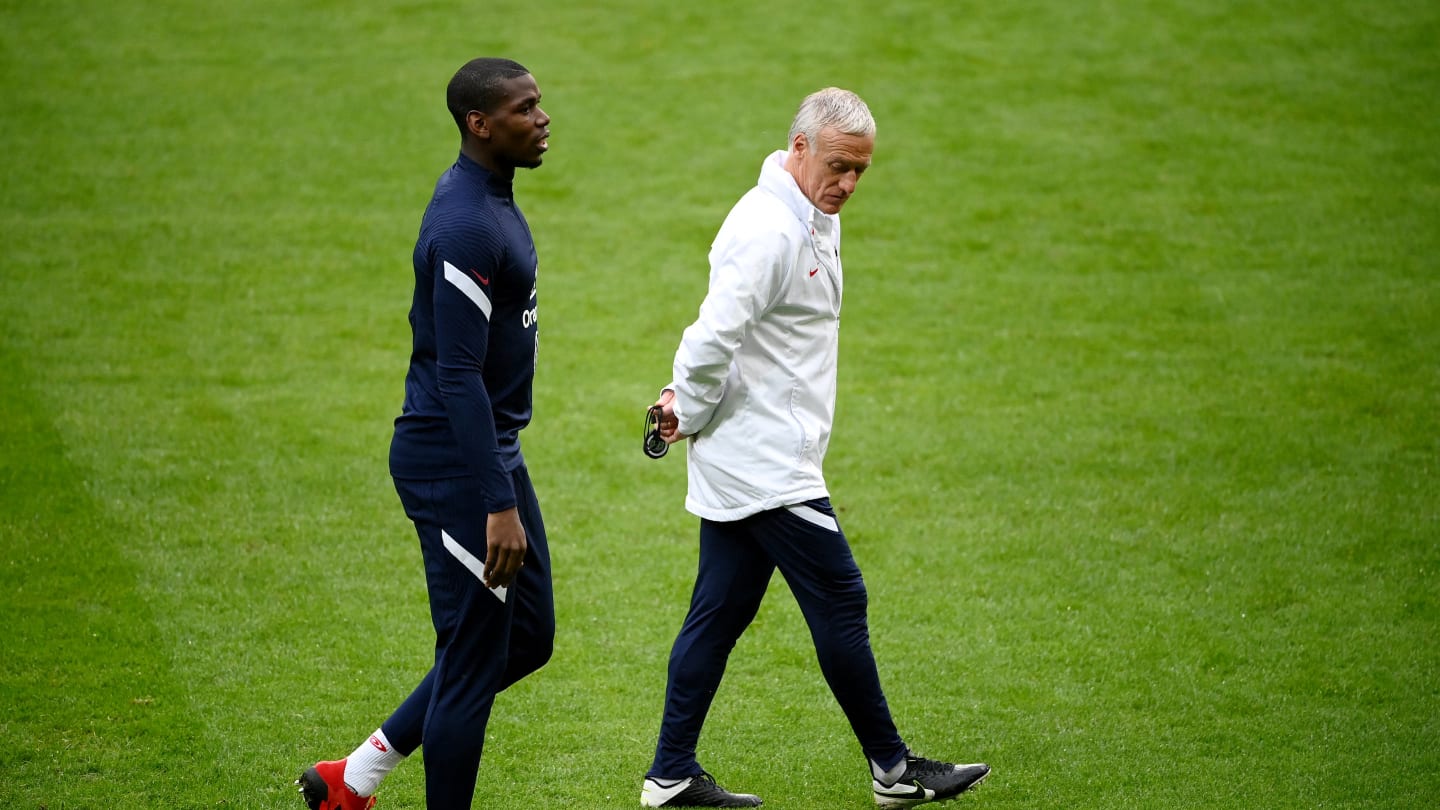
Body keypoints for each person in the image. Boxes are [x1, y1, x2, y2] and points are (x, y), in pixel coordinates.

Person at [639, 88, 990, 809]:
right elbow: (709, 339)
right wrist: (687, 410)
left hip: (763, 453)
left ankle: (669, 774)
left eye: (861, 170)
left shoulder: (810, 210)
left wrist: (688, 410)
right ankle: (892, 770)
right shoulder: (768, 231)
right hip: (766, 465)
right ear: (799, 148)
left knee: (719, 613)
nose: (850, 183)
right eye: (839, 166)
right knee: (841, 596)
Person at [296, 57, 554, 810]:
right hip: (456, 466)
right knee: (470, 666)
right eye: (523, 109)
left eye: (538, 103)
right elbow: (457, 375)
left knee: (526, 637)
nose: (542, 119)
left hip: (490, 453)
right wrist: (495, 502)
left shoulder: (491, 197)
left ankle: (353, 778)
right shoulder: (466, 224)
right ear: (480, 124)